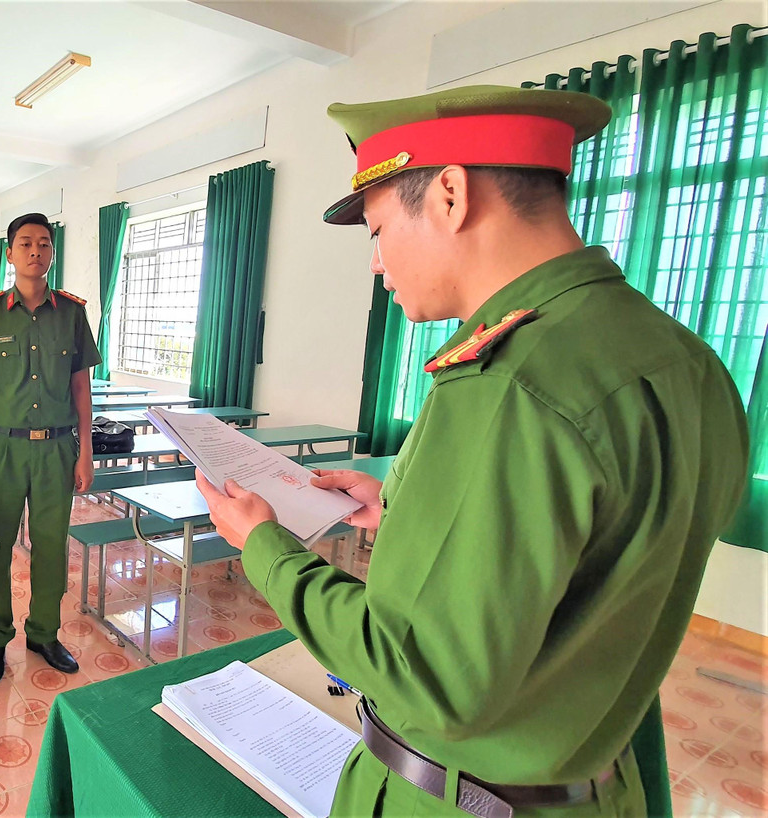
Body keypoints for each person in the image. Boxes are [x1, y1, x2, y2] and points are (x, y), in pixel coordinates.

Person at [197, 85, 750, 817]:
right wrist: (403, 512)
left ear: (450, 194)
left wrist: (265, 546)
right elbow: (594, 563)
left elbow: (424, 676)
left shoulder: (507, 381)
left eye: (378, 228)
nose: (376, 262)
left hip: (462, 798)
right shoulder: (687, 362)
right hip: (592, 786)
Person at [0, 213, 100, 686]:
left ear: (53, 253)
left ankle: (43, 633)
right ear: (10, 254)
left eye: (44, 243)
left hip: (58, 448)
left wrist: (86, 451)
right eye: (25, 243)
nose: (35, 250)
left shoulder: (73, 314)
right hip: (3, 448)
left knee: (51, 546)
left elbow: (82, 388)